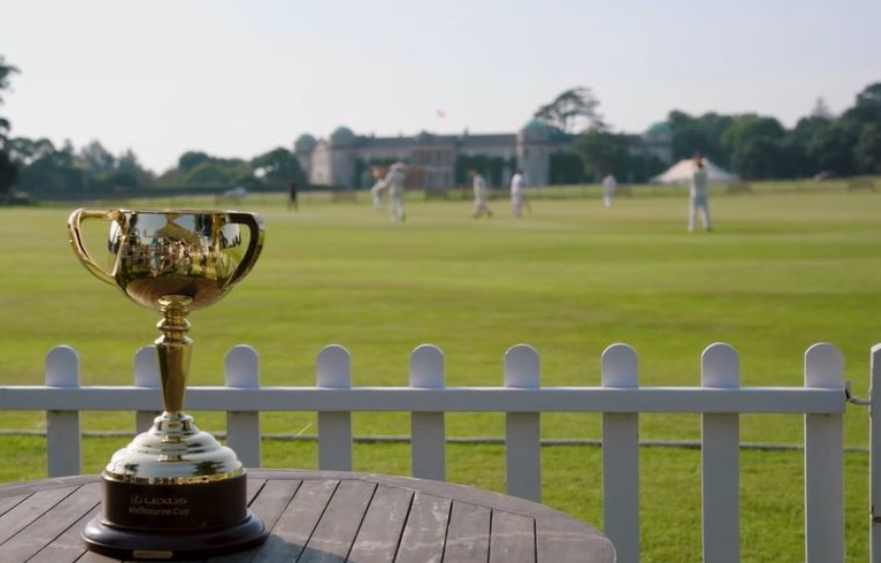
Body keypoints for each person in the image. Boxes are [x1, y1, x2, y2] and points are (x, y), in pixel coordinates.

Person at [688, 153, 711, 232]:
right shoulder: (704, 171)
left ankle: (692, 227)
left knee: (693, 211)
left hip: (695, 192)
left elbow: (691, 177)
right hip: (703, 192)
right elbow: (705, 167)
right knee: (704, 210)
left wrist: (694, 165)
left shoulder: (694, 171)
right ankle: (707, 225)